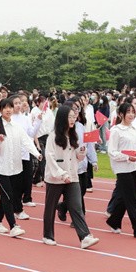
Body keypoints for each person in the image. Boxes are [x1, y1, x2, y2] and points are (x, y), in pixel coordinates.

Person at [43, 104, 99, 248]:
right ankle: (48, 235)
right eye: (70, 117)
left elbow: (78, 158)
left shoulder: (74, 136)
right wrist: (61, 174)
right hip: (56, 178)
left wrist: (82, 151)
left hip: (72, 176)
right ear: (62, 118)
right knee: (50, 207)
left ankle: (85, 236)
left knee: (76, 206)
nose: (73, 120)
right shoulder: (53, 136)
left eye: (74, 117)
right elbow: (50, 158)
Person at [0, 96, 39, 237]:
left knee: (6, 196)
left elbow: (26, 141)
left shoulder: (17, 126)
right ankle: (13, 226)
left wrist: (36, 153)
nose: (8, 110)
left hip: (15, 167)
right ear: (0, 110)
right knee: (8, 196)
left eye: (10, 107)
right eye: (5, 108)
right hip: (0, 168)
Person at [104, 103, 136, 240]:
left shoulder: (135, 130)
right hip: (122, 169)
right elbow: (112, 151)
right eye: (128, 112)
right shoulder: (116, 130)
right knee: (131, 199)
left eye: (133, 112)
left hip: (135, 167)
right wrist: (126, 157)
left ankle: (114, 221)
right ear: (121, 114)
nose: (131, 114)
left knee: (125, 197)